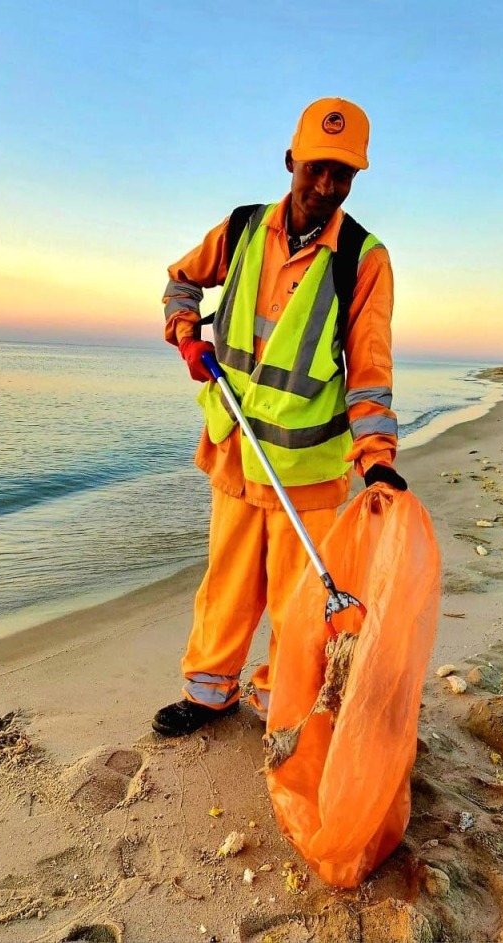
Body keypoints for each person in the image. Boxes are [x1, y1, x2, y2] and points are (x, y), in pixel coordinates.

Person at [153, 98, 403, 737]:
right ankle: (209, 693)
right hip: (236, 447)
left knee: (301, 600)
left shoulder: (362, 258)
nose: (324, 186)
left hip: (307, 465)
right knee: (228, 583)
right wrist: (186, 335)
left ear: (355, 180)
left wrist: (377, 459)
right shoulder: (240, 231)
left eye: (341, 175)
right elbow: (181, 281)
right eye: (315, 168)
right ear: (291, 160)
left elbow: (370, 367)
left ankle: (281, 700)